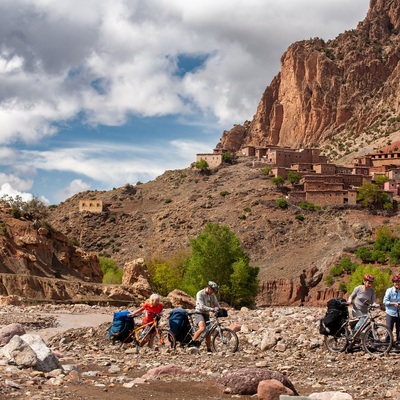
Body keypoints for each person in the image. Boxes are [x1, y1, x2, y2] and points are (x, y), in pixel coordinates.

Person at [189, 281, 221, 353]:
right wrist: (212, 309)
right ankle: (192, 342)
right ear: (209, 288)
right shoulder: (200, 293)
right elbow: (201, 306)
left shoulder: (212, 295)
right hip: (199, 312)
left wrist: (220, 309)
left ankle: (209, 349)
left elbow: (216, 303)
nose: (213, 292)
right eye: (213, 290)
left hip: (206, 313)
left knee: (208, 332)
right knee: (203, 328)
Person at [347, 274, 377, 342]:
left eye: (371, 283)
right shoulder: (358, 288)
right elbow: (351, 296)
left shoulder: (372, 291)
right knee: (362, 321)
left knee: (367, 324)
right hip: (356, 309)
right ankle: (352, 335)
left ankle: (361, 340)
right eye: (369, 282)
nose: (370, 285)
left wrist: (375, 305)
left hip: (365, 311)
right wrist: (350, 300)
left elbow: (374, 301)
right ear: (364, 281)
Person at [383, 275, 400, 344]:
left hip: (398, 313)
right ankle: (387, 344)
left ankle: (398, 343)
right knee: (389, 329)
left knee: (399, 329)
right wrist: (394, 303)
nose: (397, 283)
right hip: (390, 313)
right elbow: (385, 302)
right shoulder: (389, 290)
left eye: (398, 282)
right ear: (393, 283)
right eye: (396, 282)